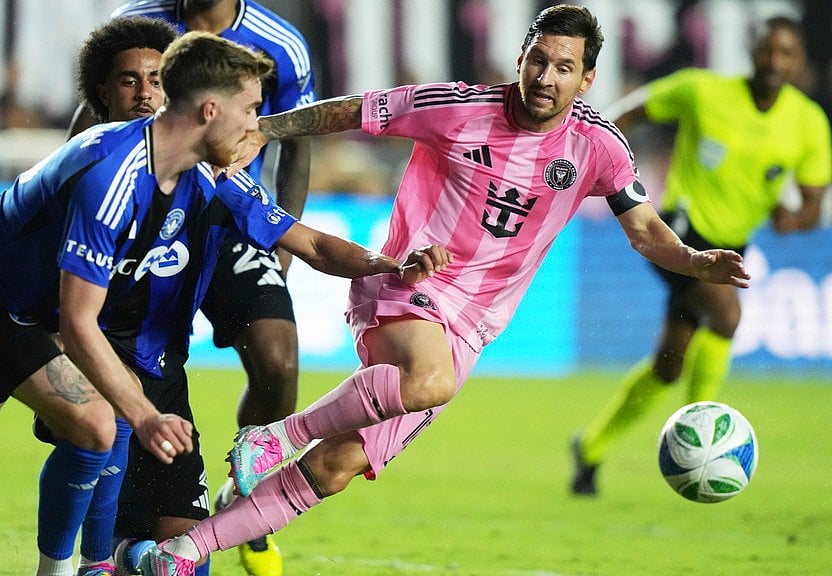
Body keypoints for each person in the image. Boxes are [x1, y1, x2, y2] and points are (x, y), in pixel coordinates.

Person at [127, 5, 752, 575]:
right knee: (429, 379)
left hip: (475, 324)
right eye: (538, 58)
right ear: (521, 56)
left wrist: (694, 261)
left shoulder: (598, 149)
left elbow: (644, 231)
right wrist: (272, 128)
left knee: (338, 466)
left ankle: (185, 551)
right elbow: (360, 110)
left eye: (564, 67)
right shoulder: (457, 105)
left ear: (586, 79)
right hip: (407, 278)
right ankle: (276, 436)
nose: (545, 76)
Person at [0, 29, 445, 576]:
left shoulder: (207, 172)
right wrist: (144, 415)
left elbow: (307, 241)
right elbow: (77, 321)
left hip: (31, 307)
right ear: (209, 109)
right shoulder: (112, 173)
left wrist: (382, 263)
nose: (259, 129)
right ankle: (73, 570)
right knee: (98, 425)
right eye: (252, 111)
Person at [76, 3, 317, 574]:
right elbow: (91, 123)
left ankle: (245, 495)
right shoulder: (139, 25)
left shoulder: (282, 45)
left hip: (226, 219)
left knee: (279, 363)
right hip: (145, 219)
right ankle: (105, 541)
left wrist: (280, 251)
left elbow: (298, 144)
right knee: (121, 359)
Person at [569, 15, 831, 497]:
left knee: (670, 365)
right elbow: (628, 114)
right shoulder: (702, 91)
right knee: (727, 316)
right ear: (752, 51)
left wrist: (791, 218)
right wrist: (600, 166)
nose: (775, 61)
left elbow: (813, 209)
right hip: (678, 232)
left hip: (731, 248)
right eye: (768, 50)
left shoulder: (808, 124)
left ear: (799, 63)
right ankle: (707, 438)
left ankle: (589, 448)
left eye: (786, 53)